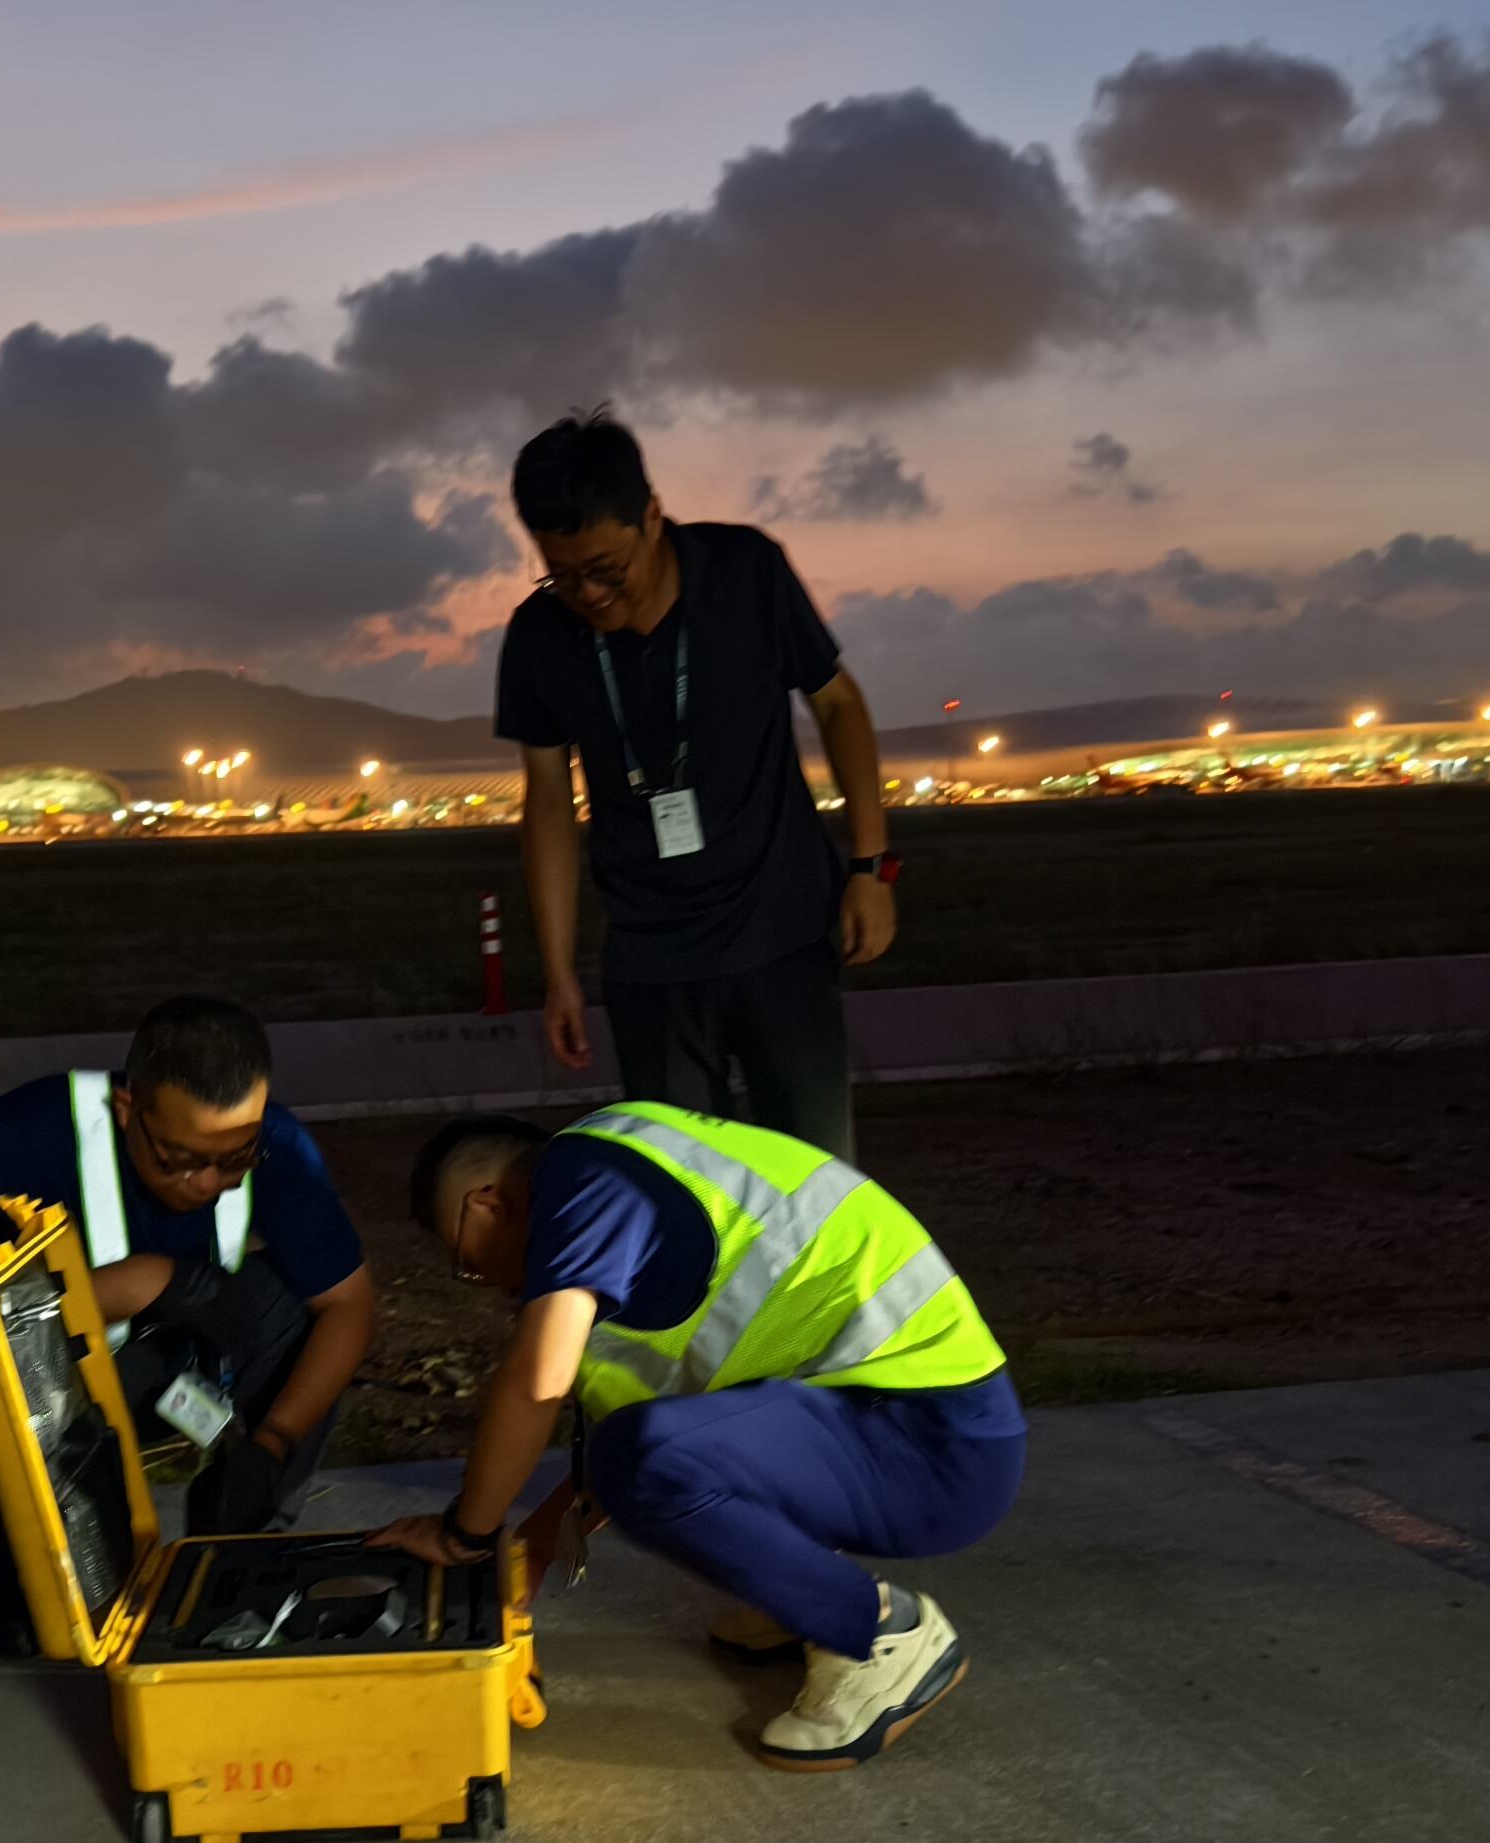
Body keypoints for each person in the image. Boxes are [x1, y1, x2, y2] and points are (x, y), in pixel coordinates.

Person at [368, 1103, 1021, 1769]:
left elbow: (536, 1383)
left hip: (936, 1445)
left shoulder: (582, 1173)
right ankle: (801, 1596)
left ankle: (874, 1630)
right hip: (894, 1433)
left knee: (646, 1459)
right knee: (644, 1453)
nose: (485, 1283)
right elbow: (617, 1448)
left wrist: (465, 1536)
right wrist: (535, 1543)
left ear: (486, 1205)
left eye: (465, 1263)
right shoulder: (635, 1192)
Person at [0, 996, 378, 1653]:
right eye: (180, 1158)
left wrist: (274, 1439)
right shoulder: (29, 1132)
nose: (207, 1183)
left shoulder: (276, 1145)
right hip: (32, 1384)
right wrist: (147, 1282)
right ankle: (30, 1562)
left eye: (234, 1159)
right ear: (129, 1109)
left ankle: (237, 1552)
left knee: (286, 1306)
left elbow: (349, 1305)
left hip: (163, 1376)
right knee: (50, 1615)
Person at [495, 410, 898, 1159]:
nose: (588, 594)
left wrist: (870, 867)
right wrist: (558, 971)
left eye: (605, 569)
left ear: (651, 515)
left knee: (815, 1187)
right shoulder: (539, 636)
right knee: (685, 1194)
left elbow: (837, 701)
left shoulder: (744, 572)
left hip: (782, 931)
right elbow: (548, 802)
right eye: (562, 573)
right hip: (651, 959)